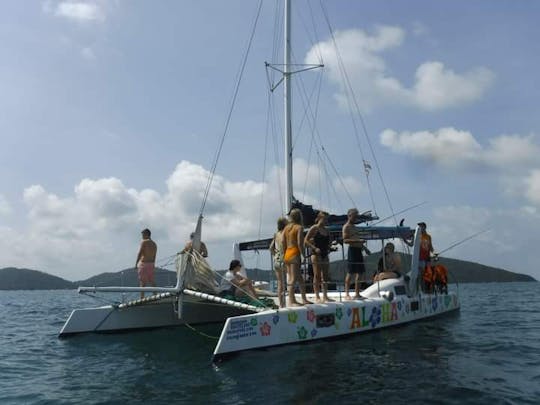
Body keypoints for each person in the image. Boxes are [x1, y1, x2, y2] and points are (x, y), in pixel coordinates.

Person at [282, 208, 312, 306]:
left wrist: (284, 253)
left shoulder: (286, 228)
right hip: (295, 253)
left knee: (299, 278)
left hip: (287, 253)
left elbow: (283, 242)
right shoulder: (299, 227)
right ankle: (292, 300)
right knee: (293, 278)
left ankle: (304, 299)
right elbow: (300, 243)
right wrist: (303, 255)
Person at [305, 211, 335, 303]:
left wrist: (330, 247)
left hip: (325, 254)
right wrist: (314, 247)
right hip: (315, 253)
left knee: (325, 276)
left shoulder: (327, 230)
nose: (326, 221)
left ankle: (325, 296)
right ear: (319, 218)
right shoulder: (314, 228)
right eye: (324, 219)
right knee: (317, 275)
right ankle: (317, 296)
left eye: (327, 219)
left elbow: (329, 241)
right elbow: (305, 240)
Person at [342, 208, 367, 300]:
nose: (356, 217)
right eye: (355, 216)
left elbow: (358, 240)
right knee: (350, 272)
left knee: (360, 272)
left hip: (359, 250)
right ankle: (347, 293)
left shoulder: (355, 227)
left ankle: (357, 293)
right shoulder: (346, 227)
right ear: (349, 216)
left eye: (357, 216)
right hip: (352, 250)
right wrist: (358, 240)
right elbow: (345, 240)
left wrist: (365, 248)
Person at [269, 217, 287, 308]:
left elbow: (271, 247)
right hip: (284, 259)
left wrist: (275, 254)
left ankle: (281, 304)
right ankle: (291, 300)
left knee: (280, 283)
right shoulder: (286, 233)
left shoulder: (276, 234)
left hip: (276, 260)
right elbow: (285, 244)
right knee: (290, 279)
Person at [135, 228, 157, 299]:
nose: (142, 236)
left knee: (142, 282)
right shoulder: (154, 244)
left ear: (146, 234)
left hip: (144, 264)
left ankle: (142, 298)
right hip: (151, 264)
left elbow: (140, 253)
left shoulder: (144, 242)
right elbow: (154, 256)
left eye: (143, 235)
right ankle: (156, 295)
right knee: (152, 281)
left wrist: (136, 263)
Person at [418, 222, 435, 292]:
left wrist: (434, 253)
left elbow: (431, 247)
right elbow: (411, 244)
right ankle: (422, 290)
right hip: (420, 258)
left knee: (428, 274)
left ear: (424, 227)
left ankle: (429, 290)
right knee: (422, 275)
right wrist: (405, 241)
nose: (420, 228)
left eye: (421, 226)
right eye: (419, 227)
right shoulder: (417, 236)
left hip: (427, 258)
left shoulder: (428, 236)